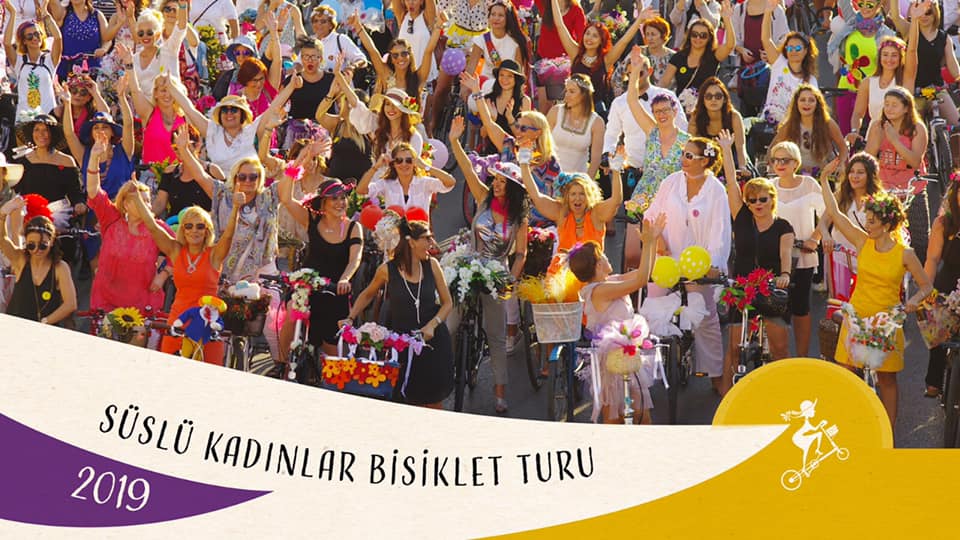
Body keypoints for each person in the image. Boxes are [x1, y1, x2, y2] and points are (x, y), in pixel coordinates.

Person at [819, 166, 933, 430]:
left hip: (886, 323)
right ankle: (847, 425)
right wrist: (824, 179)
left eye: (871, 221)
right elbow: (835, 213)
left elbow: (926, 286)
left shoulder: (905, 254)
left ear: (886, 224)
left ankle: (887, 432)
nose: (866, 224)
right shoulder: (862, 242)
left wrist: (914, 300)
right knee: (847, 373)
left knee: (887, 380)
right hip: (857, 317)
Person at [449, 116, 528, 414]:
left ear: (513, 188)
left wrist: (510, 281)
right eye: (494, 179)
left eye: (502, 181)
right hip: (468, 267)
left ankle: (499, 393)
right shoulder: (482, 198)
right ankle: (448, 371)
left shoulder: (519, 219)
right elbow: (468, 170)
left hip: (497, 273)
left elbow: (520, 255)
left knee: (495, 335)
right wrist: (454, 140)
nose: (495, 184)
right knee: (450, 325)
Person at [645, 135, 729, 393]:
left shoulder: (716, 191)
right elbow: (651, 215)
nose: (683, 158)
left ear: (705, 161)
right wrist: (658, 241)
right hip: (667, 258)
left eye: (690, 155)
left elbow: (720, 231)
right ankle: (646, 373)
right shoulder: (671, 182)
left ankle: (715, 374)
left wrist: (712, 264)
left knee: (705, 317)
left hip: (699, 264)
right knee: (651, 308)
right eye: (683, 153)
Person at [343, 218, 454, 409]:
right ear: (411, 242)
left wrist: (432, 325)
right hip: (401, 345)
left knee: (433, 403)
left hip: (432, 344)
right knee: (404, 403)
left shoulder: (432, 265)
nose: (432, 243)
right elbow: (368, 294)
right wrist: (350, 317)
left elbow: (447, 303)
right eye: (427, 238)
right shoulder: (387, 270)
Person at [567, 213, 664, 423]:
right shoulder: (598, 291)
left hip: (628, 354)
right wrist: (648, 243)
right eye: (602, 256)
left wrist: (653, 241)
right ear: (597, 265)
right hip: (611, 362)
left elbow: (645, 273)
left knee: (642, 415)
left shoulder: (610, 281)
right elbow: (640, 281)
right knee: (615, 419)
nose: (606, 257)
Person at [719, 131, 793, 394]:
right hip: (743, 287)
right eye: (752, 200)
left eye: (763, 199)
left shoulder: (783, 226)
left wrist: (785, 275)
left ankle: (784, 393)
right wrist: (726, 149)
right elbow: (731, 182)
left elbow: (786, 254)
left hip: (772, 288)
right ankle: (727, 398)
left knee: (780, 349)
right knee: (734, 348)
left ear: (772, 199)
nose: (758, 204)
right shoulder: (741, 218)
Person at [135, 192, 242, 364]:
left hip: (208, 323)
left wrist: (236, 207)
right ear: (183, 230)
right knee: (170, 369)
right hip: (179, 319)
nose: (194, 230)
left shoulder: (213, 254)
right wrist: (136, 198)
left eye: (200, 226)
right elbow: (152, 226)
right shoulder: (176, 251)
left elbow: (228, 236)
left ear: (207, 230)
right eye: (189, 226)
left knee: (207, 374)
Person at [279, 169, 362, 357]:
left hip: (335, 290)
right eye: (334, 199)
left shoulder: (353, 227)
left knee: (332, 351)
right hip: (307, 285)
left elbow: (355, 259)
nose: (340, 203)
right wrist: (297, 164)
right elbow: (286, 199)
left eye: (343, 198)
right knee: (292, 314)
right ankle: (282, 365)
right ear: (323, 203)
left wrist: (345, 279)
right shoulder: (312, 219)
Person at [623, 52, 691, 271]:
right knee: (632, 255)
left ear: (674, 111)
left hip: (671, 202)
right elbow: (632, 101)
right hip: (643, 197)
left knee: (661, 256)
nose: (661, 115)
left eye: (665, 110)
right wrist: (635, 70)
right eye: (657, 111)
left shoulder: (687, 142)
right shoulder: (651, 132)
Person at [168, 71, 295, 173]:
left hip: (249, 184)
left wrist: (291, 86)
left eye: (234, 110)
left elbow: (273, 107)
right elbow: (188, 108)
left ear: (242, 115)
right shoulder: (213, 131)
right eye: (225, 110)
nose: (229, 113)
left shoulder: (251, 131)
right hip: (219, 189)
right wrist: (170, 86)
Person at [84, 169, 172, 313]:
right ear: (125, 205)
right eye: (140, 201)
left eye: (148, 201)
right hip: (106, 300)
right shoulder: (111, 220)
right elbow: (94, 191)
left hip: (143, 302)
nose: (146, 206)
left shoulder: (157, 228)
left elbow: (178, 252)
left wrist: (163, 275)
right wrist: (94, 158)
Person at [604, 51, 687, 203]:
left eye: (638, 73)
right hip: (633, 170)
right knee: (633, 213)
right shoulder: (620, 102)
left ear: (650, 71)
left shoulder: (667, 96)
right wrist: (608, 154)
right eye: (630, 74)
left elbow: (682, 129)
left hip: (668, 172)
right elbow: (611, 134)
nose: (634, 77)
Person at [767, 141, 825, 358]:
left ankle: (802, 359)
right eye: (775, 160)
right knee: (775, 309)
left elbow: (827, 215)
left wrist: (815, 239)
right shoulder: (768, 186)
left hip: (803, 256)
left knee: (801, 308)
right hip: (774, 257)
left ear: (796, 162)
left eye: (785, 159)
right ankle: (778, 359)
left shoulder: (809, 184)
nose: (780, 164)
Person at [863, 86, 929, 261]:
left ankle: (919, 274)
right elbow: (868, 158)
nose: (889, 108)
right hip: (885, 190)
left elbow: (915, 161)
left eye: (894, 105)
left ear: (906, 108)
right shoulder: (878, 126)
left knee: (920, 241)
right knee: (886, 237)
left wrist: (894, 139)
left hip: (911, 190)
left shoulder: (917, 128)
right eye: (886, 104)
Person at [471, 100, 561, 228]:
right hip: (504, 222)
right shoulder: (510, 147)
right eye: (517, 126)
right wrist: (477, 93)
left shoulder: (550, 164)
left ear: (538, 132)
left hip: (536, 227)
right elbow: (489, 124)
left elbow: (555, 204)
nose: (518, 131)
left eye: (523, 128)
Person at [552, 0, 644, 117]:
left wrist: (639, 20)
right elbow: (560, 26)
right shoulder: (575, 53)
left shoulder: (606, 60)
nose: (589, 38)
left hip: (597, 112)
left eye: (595, 36)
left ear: (602, 41)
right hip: (573, 108)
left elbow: (624, 41)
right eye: (587, 33)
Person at [825, 0, 896, 135]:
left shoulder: (887, 34)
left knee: (875, 138)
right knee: (847, 137)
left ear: (879, 5)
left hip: (873, 92)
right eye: (861, 4)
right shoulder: (851, 21)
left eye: (869, 4)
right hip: (846, 88)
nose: (864, 8)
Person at [890, 0, 960, 128]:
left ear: (935, 13)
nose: (924, 16)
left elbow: (953, 65)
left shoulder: (944, 38)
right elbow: (895, 16)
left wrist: (958, 79)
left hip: (936, 89)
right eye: (920, 12)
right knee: (913, 128)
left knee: (956, 124)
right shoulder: (909, 30)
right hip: (913, 91)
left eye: (928, 12)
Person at [0, 211, 77, 324]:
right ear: (26, 241)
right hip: (16, 325)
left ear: (51, 242)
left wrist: (45, 321)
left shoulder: (60, 267)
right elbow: (2, 239)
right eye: (31, 245)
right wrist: (3, 215)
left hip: (44, 328)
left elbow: (70, 304)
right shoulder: (21, 259)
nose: (36, 250)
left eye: (42, 245)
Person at [659, 5, 736, 115]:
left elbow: (730, 45)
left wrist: (727, 20)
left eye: (703, 35)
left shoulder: (713, 56)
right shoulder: (679, 57)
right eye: (694, 35)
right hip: (681, 109)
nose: (698, 38)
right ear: (689, 36)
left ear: (709, 38)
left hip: (707, 109)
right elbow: (664, 82)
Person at [923, 177, 960, 397]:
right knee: (938, 329)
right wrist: (926, 289)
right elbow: (932, 259)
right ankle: (934, 380)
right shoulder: (943, 223)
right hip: (947, 283)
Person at [349, 12, 442, 97]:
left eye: (404, 54)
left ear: (410, 55)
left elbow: (428, 52)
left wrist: (439, 25)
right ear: (391, 59)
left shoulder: (418, 78)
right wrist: (358, 27)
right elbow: (372, 51)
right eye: (395, 55)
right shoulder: (387, 76)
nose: (400, 58)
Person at [357, 143, 456, 220]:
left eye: (408, 160)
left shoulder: (424, 183)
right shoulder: (386, 184)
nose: (404, 164)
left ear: (414, 163)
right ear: (394, 164)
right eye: (399, 160)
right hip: (394, 237)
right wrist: (375, 167)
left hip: (419, 237)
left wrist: (426, 167)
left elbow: (450, 182)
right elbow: (361, 190)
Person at [758, 1, 818, 125]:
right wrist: (768, 12)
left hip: (793, 127)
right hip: (768, 124)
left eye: (798, 48)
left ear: (806, 51)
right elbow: (766, 39)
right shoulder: (779, 63)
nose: (793, 51)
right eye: (790, 48)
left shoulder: (810, 80)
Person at [848, 36, 916, 146]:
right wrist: (855, 131)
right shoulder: (867, 82)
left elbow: (912, 50)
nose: (889, 59)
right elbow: (858, 113)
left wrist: (914, 25)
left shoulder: (905, 80)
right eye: (885, 54)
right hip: (874, 138)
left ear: (901, 58)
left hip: (899, 138)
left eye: (894, 55)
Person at [771, 85, 848, 177]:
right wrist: (774, 166)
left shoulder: (828, 123)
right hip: (796, 175)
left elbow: (843, 147)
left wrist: (840, 164)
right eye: (802, 100)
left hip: (824, 174)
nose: (806, 103)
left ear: (817, 104)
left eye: (811, 100)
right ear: (796, 103)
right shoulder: (789, 125)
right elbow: (772, 148)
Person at [461, 59, 532, 154]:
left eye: (510, 76)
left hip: (514, 154)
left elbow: (524, 136)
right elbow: (483, 134)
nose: (505, 79)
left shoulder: (524, 101)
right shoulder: (489, 99)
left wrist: (510, 118)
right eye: (501, 75)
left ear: (516, 79)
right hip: (491, 154)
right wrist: (492, 119)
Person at [4, 5, 63, 117]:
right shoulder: (20, 62)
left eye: (37, 34)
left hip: (47, 116)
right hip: (25, 117)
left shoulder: (49, 59)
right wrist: (13, 13)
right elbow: (7, 43)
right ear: (24, 41)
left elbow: (58, 38)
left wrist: (46, 15)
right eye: (29, 36)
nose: (35, 38)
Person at [730, 0, 787, 117]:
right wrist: (741, 50)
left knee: (772, 112)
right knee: (747, 112)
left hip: (771, 71)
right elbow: (733, 39)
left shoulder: (776, 10)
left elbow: (785, 38)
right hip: (747, 72)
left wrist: (772, 52)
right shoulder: (739, 9)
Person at [532, 0, 585, 112]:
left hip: (563, 65)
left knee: (561, 106)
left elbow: (582, 40)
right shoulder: (545, 4)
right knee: (544, 105)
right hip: (542, 61)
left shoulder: (576, 10)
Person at [547, 74, 604, 177]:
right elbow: (543, 145)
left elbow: (595, 160)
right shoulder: (555, 111)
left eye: (572, 91)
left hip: (577, 180)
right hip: (550, 176)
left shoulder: (597, 122)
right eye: (566, 91)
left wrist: (586, 183)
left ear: (584, 95)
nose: (566, 95)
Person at [465, 0, 531, 86]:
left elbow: (518, 73)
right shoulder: (482, 39)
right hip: (485, 84)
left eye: (500, 15)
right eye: (493, 14)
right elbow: (470, 68)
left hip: (507, 85)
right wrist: (465, 87)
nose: (496, 18)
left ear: (508, 18)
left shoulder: (516, 42)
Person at [689, 77, 747, 171]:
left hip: (733, 162)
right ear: (703, 100)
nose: (713, 100)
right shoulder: (696, 117)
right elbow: (691, 147)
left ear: (724, 99)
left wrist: (742, 167)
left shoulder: (734, 117)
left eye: (718, 96)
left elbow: (740, 147)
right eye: (708, 96)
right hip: (706, 165)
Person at [128, 7, 187, 102]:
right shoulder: (133, 59)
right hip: (144, 108)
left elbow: (181, 29)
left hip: (169, 105)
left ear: (158, 34)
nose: (145, 36)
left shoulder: (168, 50)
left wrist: (183, 5)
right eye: (141, 33)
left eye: (149, 32)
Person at [50, 0, 114, 80]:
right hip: (67, 70)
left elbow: (107, 39)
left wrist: (103, 49)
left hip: (93, 69)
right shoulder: (63, 13)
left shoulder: (97, 14)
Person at [309, 6, 365, 73]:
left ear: (331, 25)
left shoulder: (341, 39)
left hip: (338, 79)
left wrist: (353, 67)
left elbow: (362, 59)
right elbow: (300, 63)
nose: (319, 24)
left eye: (323, 21)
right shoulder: (309, 41)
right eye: (315, 21)